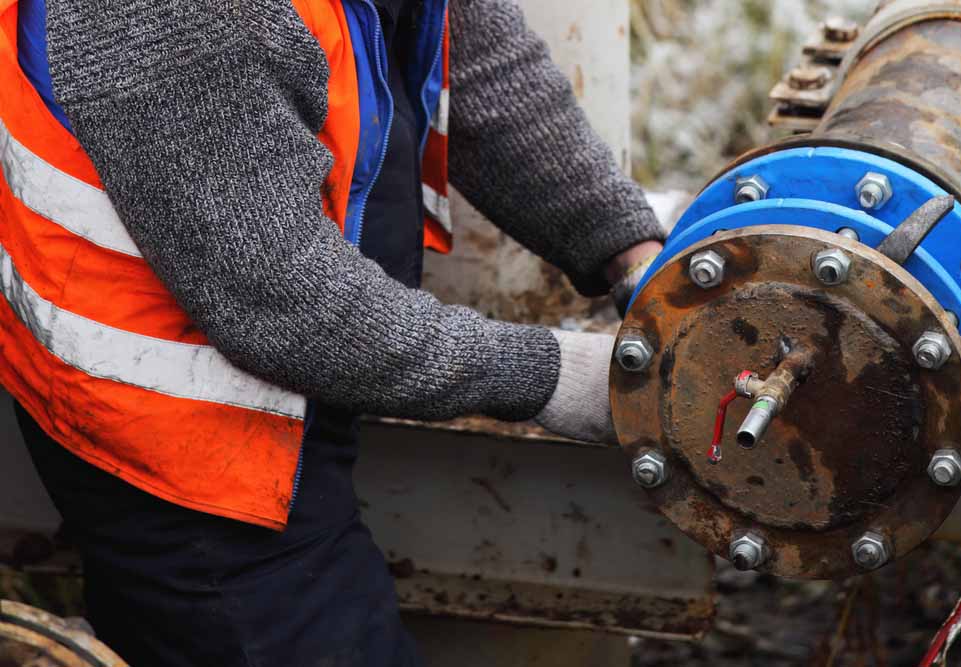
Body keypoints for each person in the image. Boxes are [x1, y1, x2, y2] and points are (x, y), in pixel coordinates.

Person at [0, 0, 665, 664]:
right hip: (182, 456)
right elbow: (284, 300)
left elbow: (478, 58)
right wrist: (555, 375)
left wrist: (637, 263)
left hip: (291, 381)